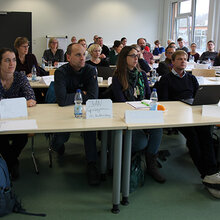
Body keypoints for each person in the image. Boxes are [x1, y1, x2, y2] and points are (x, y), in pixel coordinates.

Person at [157, 50, 220, 198]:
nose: (183, 61)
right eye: (179, 59)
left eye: (185, 59)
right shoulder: (165, 80)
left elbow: (198, 97)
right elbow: (164, 102)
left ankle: (212, 171)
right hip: (177, 115)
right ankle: (206, 174)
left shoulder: (191, 78)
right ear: (173, 62)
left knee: (206, 134)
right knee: (193, 137)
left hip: (193, 112)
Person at [111, 46, 166, 183]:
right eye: (133, 56)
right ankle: (127, 155)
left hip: (144, 113)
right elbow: (120, 102)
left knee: (158, 127)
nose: (136, 58)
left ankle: (151, 165)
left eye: (137, 55)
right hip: (127, 117)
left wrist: (146, 108)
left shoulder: (141, 75)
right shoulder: (117, 77)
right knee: (141, 143)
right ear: (125, 58)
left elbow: (148, 96)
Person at [53, 43, 100, 185]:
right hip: (63, 112)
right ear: (68, 57)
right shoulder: (61, 72)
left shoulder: (91, 70)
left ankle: (92, 163)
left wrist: (72, 96)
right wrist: (81, 94)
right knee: (60, 140)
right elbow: (61, 100)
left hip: (85, 110)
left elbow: (93, 97)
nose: (82, 58)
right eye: (78, 55)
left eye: (84, 54)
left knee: (90, 130)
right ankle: (57, 145)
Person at [0, 48, 36, 180]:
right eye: (7, 60)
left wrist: (7, 104)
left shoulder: (20, 76)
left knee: (22, 137)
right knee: (1, 138)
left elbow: (31, 98)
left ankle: (8, 163)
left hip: (18, 119)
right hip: (1, 120)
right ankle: (12, 162)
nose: (12, 64)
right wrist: (20, 103)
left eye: (14, 60)